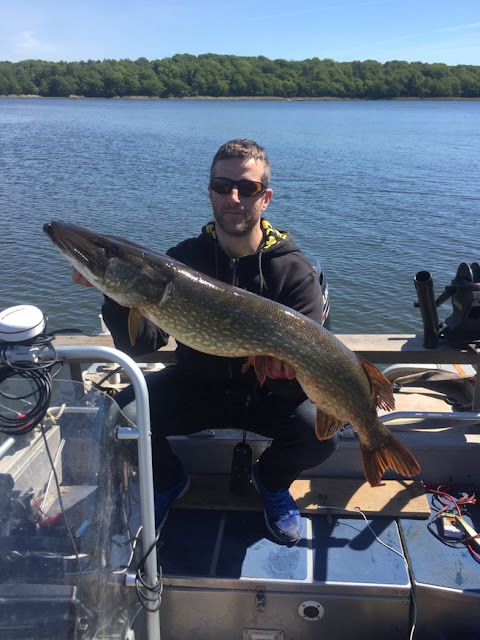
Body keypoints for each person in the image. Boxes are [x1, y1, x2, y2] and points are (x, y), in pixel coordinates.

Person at [74, 139, 337, 544]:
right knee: (116, 419)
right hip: (197, 384)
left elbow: (309, 364)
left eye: (247, 188)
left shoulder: (294, 273)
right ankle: (169, 480)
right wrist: (114, 294)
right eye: (222, 186)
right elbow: (141, 346)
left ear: (265, 198)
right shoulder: (182, 260)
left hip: (267, 394)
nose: (234, 198)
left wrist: (284, 375)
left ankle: (270, 481)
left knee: (321, 434)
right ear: (210, 192)